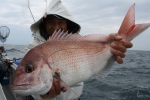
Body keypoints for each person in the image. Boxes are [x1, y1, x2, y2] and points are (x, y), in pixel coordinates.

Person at [26, 0, 133, 100]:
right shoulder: (33, 47)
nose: (56, 27)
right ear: (44, 24)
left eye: (61, 22)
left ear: (68, 24)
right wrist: (40, 94)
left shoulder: (79, 42)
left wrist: (112, 52)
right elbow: (27, 80)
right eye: (51, 22)